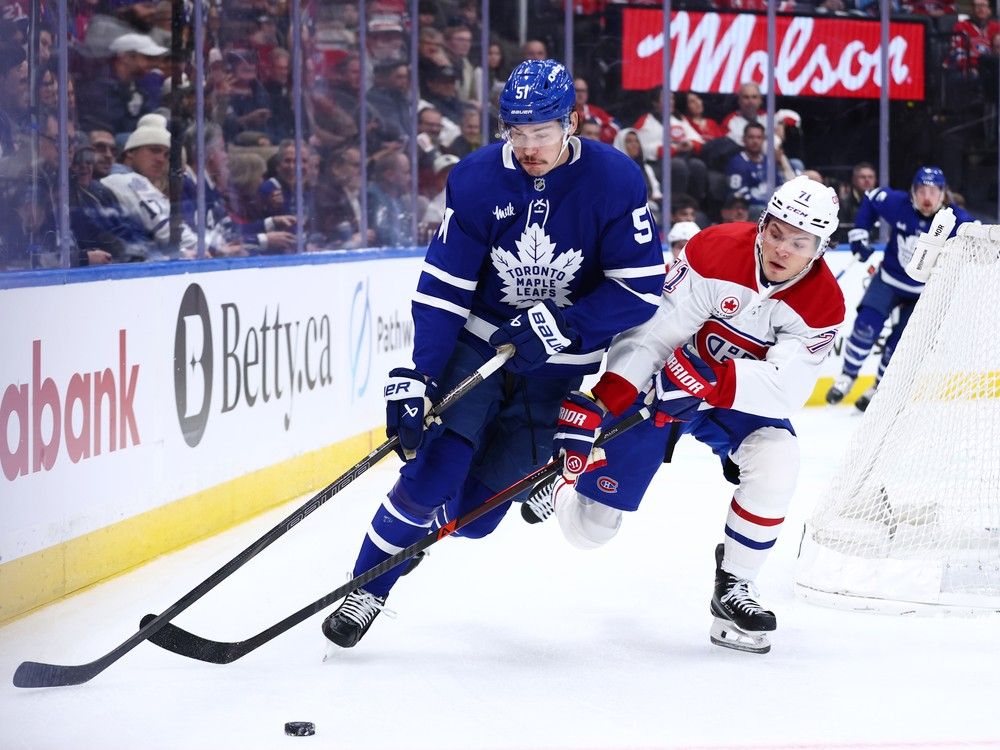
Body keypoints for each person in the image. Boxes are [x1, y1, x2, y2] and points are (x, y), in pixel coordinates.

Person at [321, 58, 666, 650]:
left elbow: (640, 288)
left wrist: (567, 324)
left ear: (572, 122)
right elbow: (443, 289)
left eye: (542, 132)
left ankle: (421, 527)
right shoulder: (477, 178)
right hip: (479, 350)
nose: (529, 147)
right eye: (517, 131)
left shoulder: (615, 179)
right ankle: (367, 591)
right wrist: (421, 375)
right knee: (434, 471)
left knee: (475, 522)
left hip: (556, 375)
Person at [524, 176, 844, 654]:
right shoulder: (713, 249)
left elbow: (784, 388)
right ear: (763, 224)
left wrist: (709, 381)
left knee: (779, 456)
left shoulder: (822, 304)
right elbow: (653, 334)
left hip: (729, 399)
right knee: (590, 532)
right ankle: (567, 481)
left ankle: (734, 587)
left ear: (819, 249)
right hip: (658, 381)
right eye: (776, 232)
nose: (782, 249)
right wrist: (610, 398)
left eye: (800, 242)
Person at [825, 166, 975, 411]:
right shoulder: (898, 204)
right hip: (889, 279)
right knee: (865, 325)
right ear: (912, 192)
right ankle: (847, 377)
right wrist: (859, 233)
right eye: (922, 190)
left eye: (934, 191)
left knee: (900, 345)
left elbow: (979, 236)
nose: (927, 198)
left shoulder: (955, 219)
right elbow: (871, 199)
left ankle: (879, 388)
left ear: (943, 194)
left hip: (925, 293)